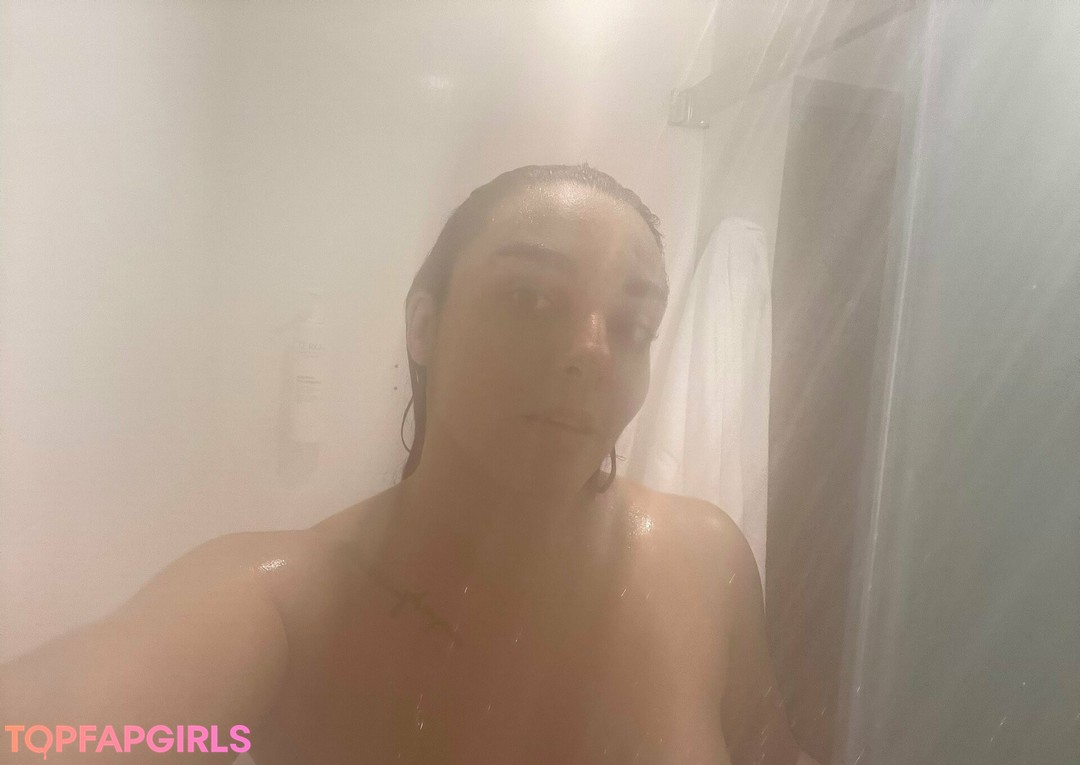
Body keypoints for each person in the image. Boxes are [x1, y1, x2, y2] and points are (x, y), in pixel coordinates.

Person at [0, 164, 820, 764]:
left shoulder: (703, 557)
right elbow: (51, 733)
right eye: (530, 298)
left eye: (633, 325)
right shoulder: (285, 601)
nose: (591, 353)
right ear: (424, 326)